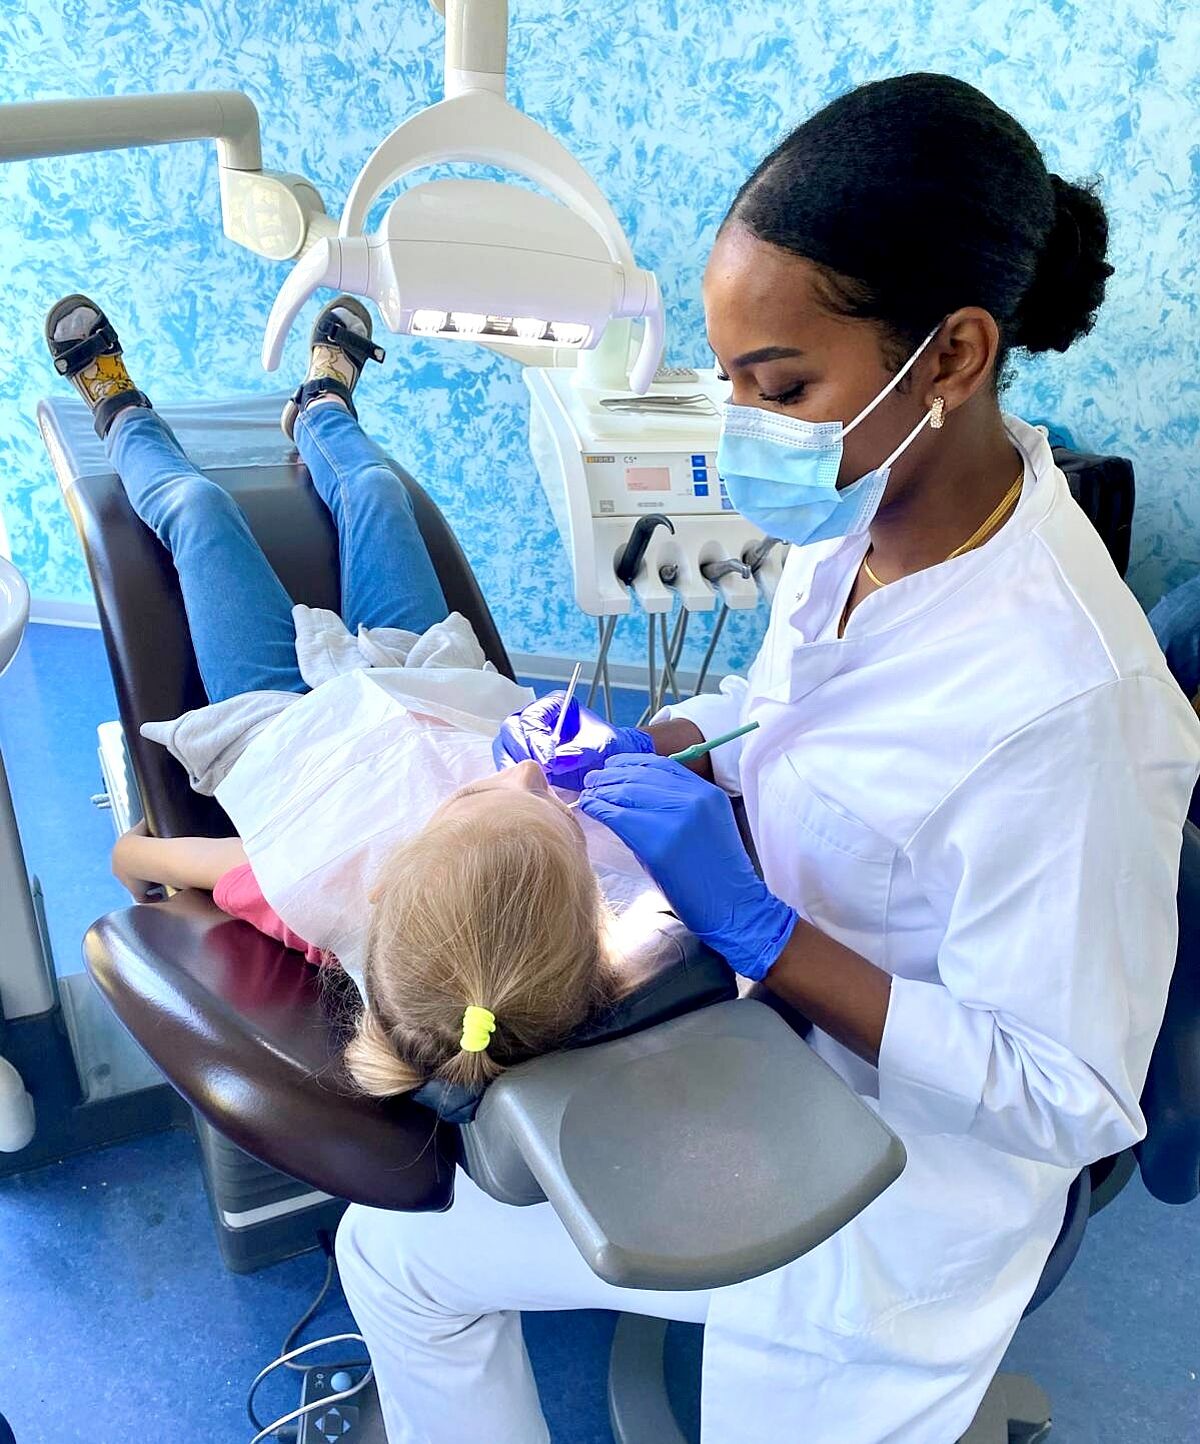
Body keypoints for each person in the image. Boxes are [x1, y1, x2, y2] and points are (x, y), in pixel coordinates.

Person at [335, 73, 1200, 1443]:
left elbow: (1074, 1099)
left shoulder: (1072, 707)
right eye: (731, 379)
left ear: (954, 357)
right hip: (751, 1043)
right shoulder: (866, 514)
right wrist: (661, 741)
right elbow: (786, 702)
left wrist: (765, 931)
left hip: (887, 1193)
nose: (746, 424)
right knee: (393, 1250)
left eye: (783, 385)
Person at [45, 292, 646, 1099]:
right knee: (377, 492)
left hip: (278, 722)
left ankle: (118, 411)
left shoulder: (314, 890)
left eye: (488, 793)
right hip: (428, 674)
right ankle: (322, 406)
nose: (530, 772)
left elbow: (178, 862)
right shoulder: (571, 903)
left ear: (384, 883)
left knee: (199, 510)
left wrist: (136, 851)